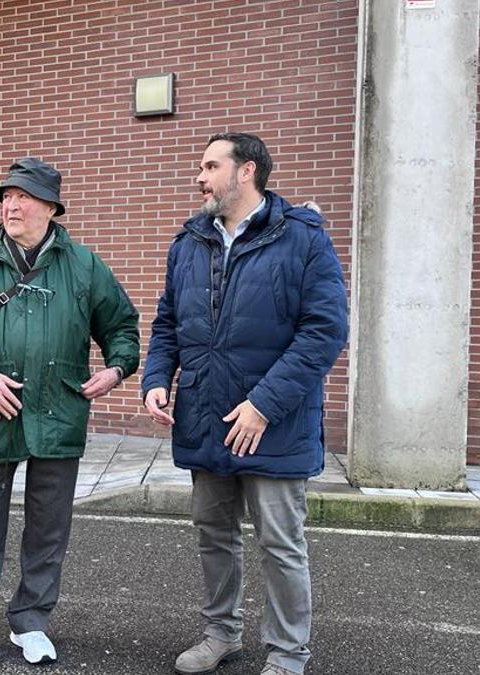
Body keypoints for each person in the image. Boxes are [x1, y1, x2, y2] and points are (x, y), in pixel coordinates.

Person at [0, 157, 140, 671]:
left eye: (22, 197)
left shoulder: (85, 266)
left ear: (50, 206)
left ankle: (31, 621)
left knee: (48, 529)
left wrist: (117, 369)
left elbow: (121, 327)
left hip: (59, 412)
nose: (10, 205)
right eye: (5, 197)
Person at [141, 132, 347, 675]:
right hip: (206, 416)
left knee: (280, 544)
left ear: (247, 171)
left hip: (273, 424)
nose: (200, 177)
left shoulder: (303, 239)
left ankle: (287, 655)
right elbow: (167, 323)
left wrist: (264, 405)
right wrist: (157, 378)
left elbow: (323, 332)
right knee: (214, 535)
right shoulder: (188, 242)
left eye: (210, 166)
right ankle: (221, 635)